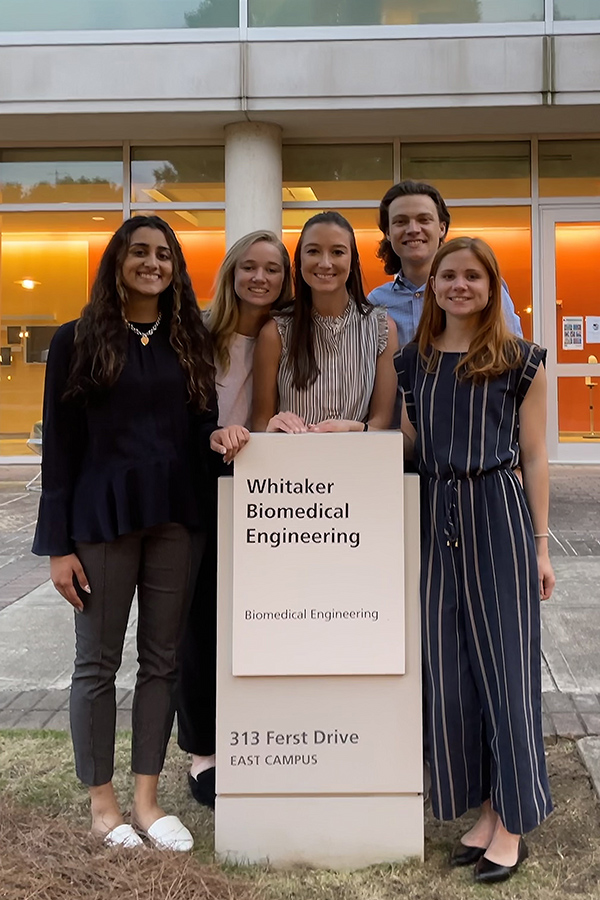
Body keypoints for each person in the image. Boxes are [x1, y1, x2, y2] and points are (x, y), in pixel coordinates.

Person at [32, 216, 248, 851]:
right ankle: (104, 805)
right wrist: (58, 547)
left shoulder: (189, 340)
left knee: (163, 661)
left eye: (163, 255)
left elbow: (196, 432)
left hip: (178, 518)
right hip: (102, 519)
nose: (152, 263)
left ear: (176, 267)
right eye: (139, 253)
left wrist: (223, 438)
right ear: (117, 261)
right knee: (97, 662)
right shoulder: (78, 339)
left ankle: (148, 801)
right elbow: (60, 449)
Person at [395, 236, 554, 884]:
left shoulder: (521, 362)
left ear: (492, 288)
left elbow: (538, 457)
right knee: (451, 678)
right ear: (432, 286)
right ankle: (485, 809)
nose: (459, 285)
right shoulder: (414, 362)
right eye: (448, 275)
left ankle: (514, 821)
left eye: (472, 276)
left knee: (506, 676)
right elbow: (407, 439)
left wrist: (542, 546)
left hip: (497, 513)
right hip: (433, 516)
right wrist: (353, 432)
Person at [178, 230, 292, 809]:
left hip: (265, 491)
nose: (260, 278)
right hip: (201, 485)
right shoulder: (196, 334)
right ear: (231, 272)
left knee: (258, 620)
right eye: (249, 266)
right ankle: (203, 750)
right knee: (200, 619)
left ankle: (262, 737)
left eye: (273, 268)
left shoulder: (292, 336)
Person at [252, 211, 397, 434]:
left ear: (353, 261)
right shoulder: (275, 331)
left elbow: (380, 422)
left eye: (338, 252)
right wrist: (274, 426)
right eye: (313, 251)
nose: (325, 263)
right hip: (293, 461)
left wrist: (352, 428)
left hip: (357, 459)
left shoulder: (381, 327)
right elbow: (261, 422)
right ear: (299, 261)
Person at [369, 180, 523, 347]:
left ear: (442, 228)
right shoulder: (376, 303)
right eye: (401, 222)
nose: (413, 229)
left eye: (424, 220)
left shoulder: (480, 292)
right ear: (388, 233)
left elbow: (515, 357)